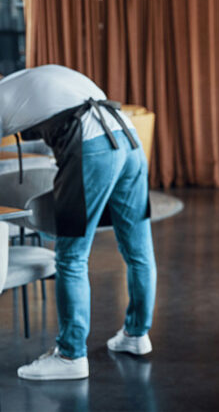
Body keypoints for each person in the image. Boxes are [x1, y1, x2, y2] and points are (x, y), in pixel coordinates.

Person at [0, 65, 156, 381]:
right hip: (127, 135)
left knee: (71, 256)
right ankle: (137, 334)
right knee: (138, 250)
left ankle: (71, 355)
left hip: (92, 144)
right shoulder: (30, 79)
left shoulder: (5, 94)